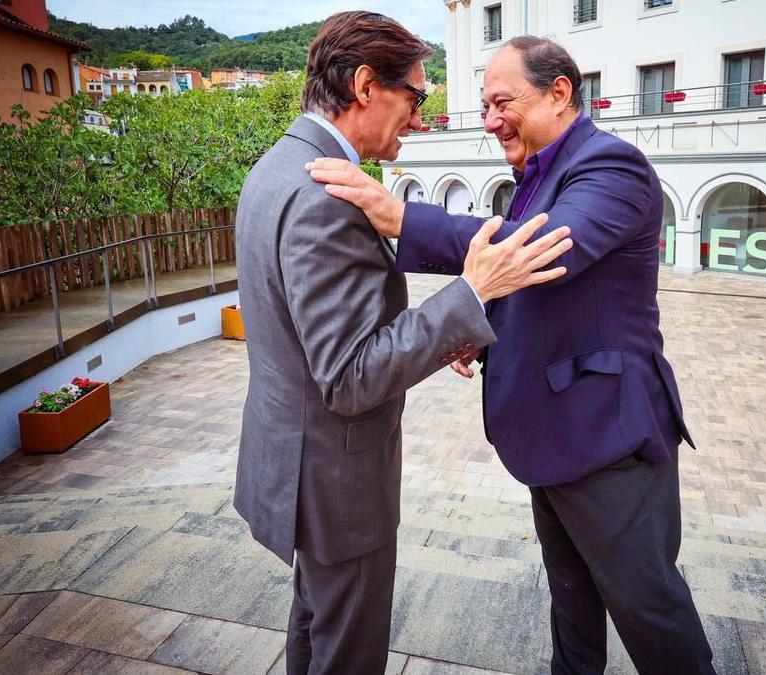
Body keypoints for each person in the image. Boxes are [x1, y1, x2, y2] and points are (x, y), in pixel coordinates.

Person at [307, 35, 715, 674]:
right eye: (486, 106)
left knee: (650, 611)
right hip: (553, 437)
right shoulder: (538, 170)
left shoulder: (612, 166)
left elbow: (539, 252)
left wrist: (397, 214)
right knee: (572, 602)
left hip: (605, 438)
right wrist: (477, 325)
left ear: (559, 93)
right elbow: (525, 288)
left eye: (503, 102)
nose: (491, 120)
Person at [232, 14, 572, 674]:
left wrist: (439, 325)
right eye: (416, 97)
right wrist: (468, 295)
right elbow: (350, 373)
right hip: (336, 479)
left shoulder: (276, 167)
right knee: (347, 650)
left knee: (312, 621)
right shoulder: (324, 196)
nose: (418, 119)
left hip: (295, 465)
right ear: (366, 85)